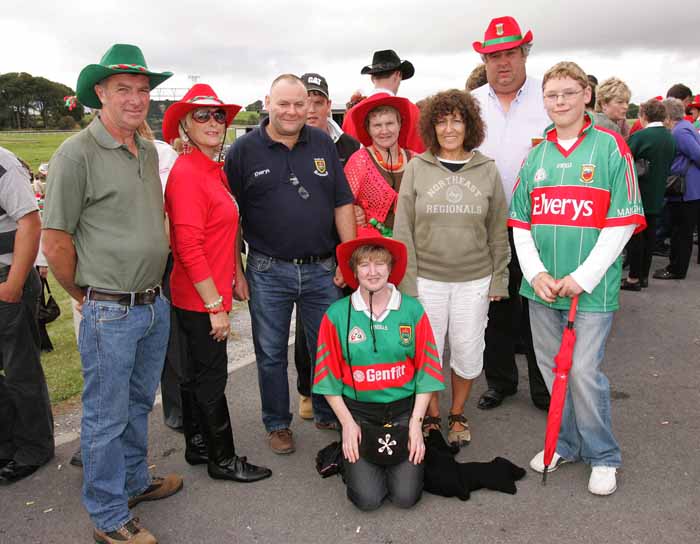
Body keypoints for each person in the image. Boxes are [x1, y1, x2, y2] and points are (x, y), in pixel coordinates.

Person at [42, 44, 182, 543]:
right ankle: (107, 517)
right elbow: (55, 240)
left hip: (151, 302)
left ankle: (133, 482)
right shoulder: (75, 153)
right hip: (110, 308)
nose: (136, 98)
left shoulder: (145, 148)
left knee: (140, 401)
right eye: (123, 88)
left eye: (143, 90)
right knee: (104, 415)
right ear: (99, 93)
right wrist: (84, 291)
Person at [509, 61, 645, 496]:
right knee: (552, 372)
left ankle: (603, 454)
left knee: (583, 372)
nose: (561, 101)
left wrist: (582, 278)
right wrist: (538, 274)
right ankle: (564, 443)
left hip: (590, 290)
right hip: (542, 288)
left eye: (569, 92)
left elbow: (621, 223)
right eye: (552, 95)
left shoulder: (610, 148)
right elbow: (521, 223)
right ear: (544, 100)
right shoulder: (536, 155)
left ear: (587, 94)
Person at [224, 74, 356, 454]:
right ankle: (277, 422)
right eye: (284, 104)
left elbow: (341, 201)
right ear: (268, 102)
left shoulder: (322, 144)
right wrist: (237, 271)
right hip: (267, 270)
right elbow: (230, 218)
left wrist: (346, 258)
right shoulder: (244, 151)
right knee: (270, 352)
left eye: (301, 104)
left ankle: (327, 410)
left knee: (326, 348)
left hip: (321, 268)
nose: (293, 111)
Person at [162, 83, 272, 483]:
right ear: (185, 126)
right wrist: (214, 305)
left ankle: (199, 445)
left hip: (206, 288)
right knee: (211, 378)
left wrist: (236, 274)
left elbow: (222, 232)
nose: (213, 122)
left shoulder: (212, 169)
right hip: (197, 295)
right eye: (202, 115)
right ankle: (223, 460)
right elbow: (188, 246)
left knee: (195, 374)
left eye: (218, 115)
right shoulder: (189, 174)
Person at [394, 88, 510, 447]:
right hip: (427, 280)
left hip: (474, 281)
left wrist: (499, 279)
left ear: (468, 125)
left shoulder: (487, 169)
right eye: (441, 121)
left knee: (467, 351)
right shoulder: (417, 167)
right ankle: (430, 417)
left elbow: (497, 228)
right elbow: (403, 229)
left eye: (456, 120)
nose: (449, 128)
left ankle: (457, 413)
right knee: (426, 354)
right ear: (432, 127)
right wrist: (407, 283)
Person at [312, 233, 444, 510]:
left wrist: (416, 425)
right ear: (354, 270)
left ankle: (391, 459)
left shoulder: (412, 310)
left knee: (406, 497)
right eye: (364, 265)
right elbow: (327, 378)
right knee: (368, 499)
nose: (372, 272)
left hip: (404, 412)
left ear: (390, 267)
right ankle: (348, 453)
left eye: (379, 263)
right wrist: (347, 425)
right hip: (359, 415)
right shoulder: (336, 315)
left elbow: (428, 371)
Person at [471, 15, 551, 411]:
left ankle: (544, 387)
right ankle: (500, 382)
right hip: (486, 225)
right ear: (484, 60)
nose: (503, 63)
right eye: (494, 55)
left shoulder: (548, 97)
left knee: (540, 306)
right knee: (496, 307)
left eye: (510, 53)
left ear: (524, 54)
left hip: (539, 224)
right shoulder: (471, 104)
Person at [293, 73, 361, 421]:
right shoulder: (290, 140)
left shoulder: (349, 146)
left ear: (327, 105)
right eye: (306, 101)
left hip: (345, 248)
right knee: (310, 333)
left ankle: (343, 393)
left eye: (318, 102)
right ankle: (308, 390)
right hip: (311, 251)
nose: (312, 109)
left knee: (345, 326)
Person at [0, 146, 54, 486]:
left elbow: (30, 223)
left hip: (8, 282)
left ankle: (34, 448)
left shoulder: (3, 164)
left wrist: (13, 285)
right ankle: (7, 446)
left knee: (21, 370)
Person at [622, 99, 676, 290]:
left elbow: (624, 159)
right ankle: (643, 276)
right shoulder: (669, 137)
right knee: (650, 237)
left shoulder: (641, 136)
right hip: (658, 193)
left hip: (639, 194)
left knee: (636, 238)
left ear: (644, 115)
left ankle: (633, 278)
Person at [344, 93, 415, 234]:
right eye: (377, 125)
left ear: (400, 124)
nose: (384, 131)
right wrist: (354, 211)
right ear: (368, 129)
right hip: (374, 248)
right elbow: (342, 203)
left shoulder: (416, 160)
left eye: (390, 123)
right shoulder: (359, 161)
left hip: (412, 243)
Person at [652, 98, 700, 280]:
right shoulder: (686, 128)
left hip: (686, 190)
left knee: (680, 232)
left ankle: (676, 269)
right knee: (682, 231)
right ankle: (676, 267)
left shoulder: (679, 132)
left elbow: (697, 154)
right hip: (690, 189)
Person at [342, 49, 425, 153]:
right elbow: (420, 155)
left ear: (372, 78)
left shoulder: (352, 114)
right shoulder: (411, 110)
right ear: (398, 75)